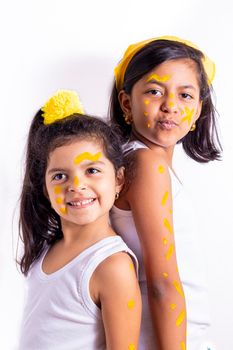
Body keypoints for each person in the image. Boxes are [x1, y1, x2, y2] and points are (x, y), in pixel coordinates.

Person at [109, 36, 222, 350]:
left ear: (199, 109)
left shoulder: (141, 160)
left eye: (185, 95)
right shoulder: (146, 164)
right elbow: (162, 284)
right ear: (126, 103)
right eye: (155, 91)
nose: (171, 105)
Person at [18, 90, 141, 350]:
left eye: (92, 171)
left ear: (118, 180)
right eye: (60, 176)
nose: (77, 186)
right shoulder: (48, 249)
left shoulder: (112, 266)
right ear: (45, 187)